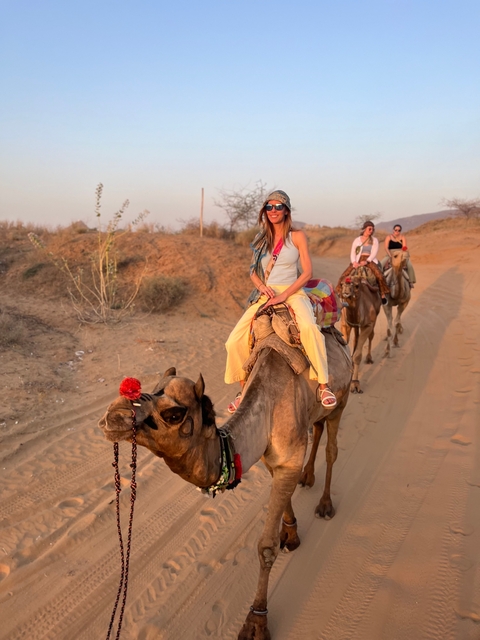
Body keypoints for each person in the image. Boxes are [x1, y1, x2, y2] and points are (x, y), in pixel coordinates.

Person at [224, 190, 336, 412]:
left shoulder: (297, 236)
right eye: (269, 207)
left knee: (308, 328)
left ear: (286, 210)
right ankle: (243, 389)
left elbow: (306, 272)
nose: (273, 211)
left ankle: (323, 385)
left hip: (292, 292)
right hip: (265, 295)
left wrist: (284, 295)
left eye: (278, 206)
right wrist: (261, 287)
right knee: (234, 340)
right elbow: (252, 271)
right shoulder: (260, 238)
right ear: (264, 211)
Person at [336, 220, 390, 303]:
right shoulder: (357, 240)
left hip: (369, 260)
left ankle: (382, 294)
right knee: (344, 275)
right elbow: (353, 252)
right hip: (358, 260)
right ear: (364, 229)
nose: (371, 231)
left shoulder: (374, 240)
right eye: (369, 229)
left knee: (380, 276)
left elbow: (374, 252)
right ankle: (339, 293)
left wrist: (367, 261)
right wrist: (354, 262)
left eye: (372, 229)